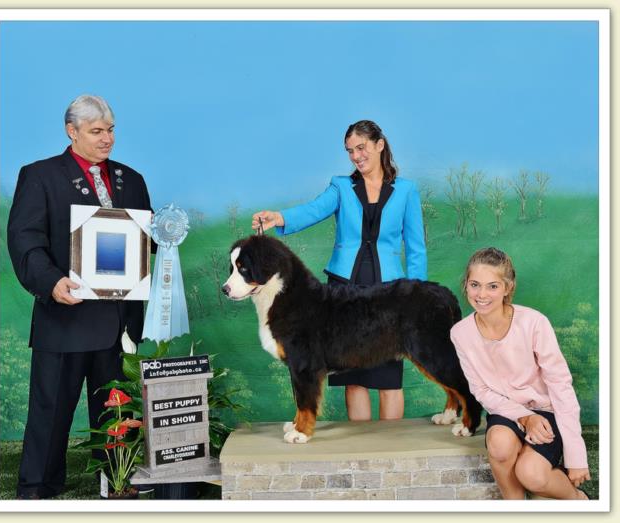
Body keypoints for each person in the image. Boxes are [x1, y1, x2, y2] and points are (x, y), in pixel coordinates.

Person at [7, 94, 153, 499]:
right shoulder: (40, 176)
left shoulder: (132, 179)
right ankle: (36, 493)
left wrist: (166, 238)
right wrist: (51, 282)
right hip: (65, 318)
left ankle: (117, 485)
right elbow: (25, 241)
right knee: (49, 416)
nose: (107, 139)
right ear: (71, 132)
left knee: (118, 414)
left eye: (110, 130)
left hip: (120, 323)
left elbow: (144, 242)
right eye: (96, 132)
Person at [252, 120, 427, 421]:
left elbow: (416, 247)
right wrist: (279, 217)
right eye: (350, 151)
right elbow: (313, 209)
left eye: (362, 148)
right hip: (343, 289)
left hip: (388, 292)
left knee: (388, 378)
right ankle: (360, 451)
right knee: (354, 376)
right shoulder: (341, 187)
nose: (357, 156)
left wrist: (418, 295)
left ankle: (391, 447)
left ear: (380, 145)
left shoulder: (407, 190)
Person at [450, 247, 590, 500]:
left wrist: (576, 454)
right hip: (507, 411)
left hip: (547, 410)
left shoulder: (534, 322)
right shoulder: (460, 332)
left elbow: (560, 385)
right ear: (466, 286)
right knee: (500, 445)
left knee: (532, 475)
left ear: (508, 287)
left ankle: (577, 500)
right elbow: (481, 390)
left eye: (492, 286)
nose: (482, 294)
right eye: (475, 285)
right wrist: (525, 417)